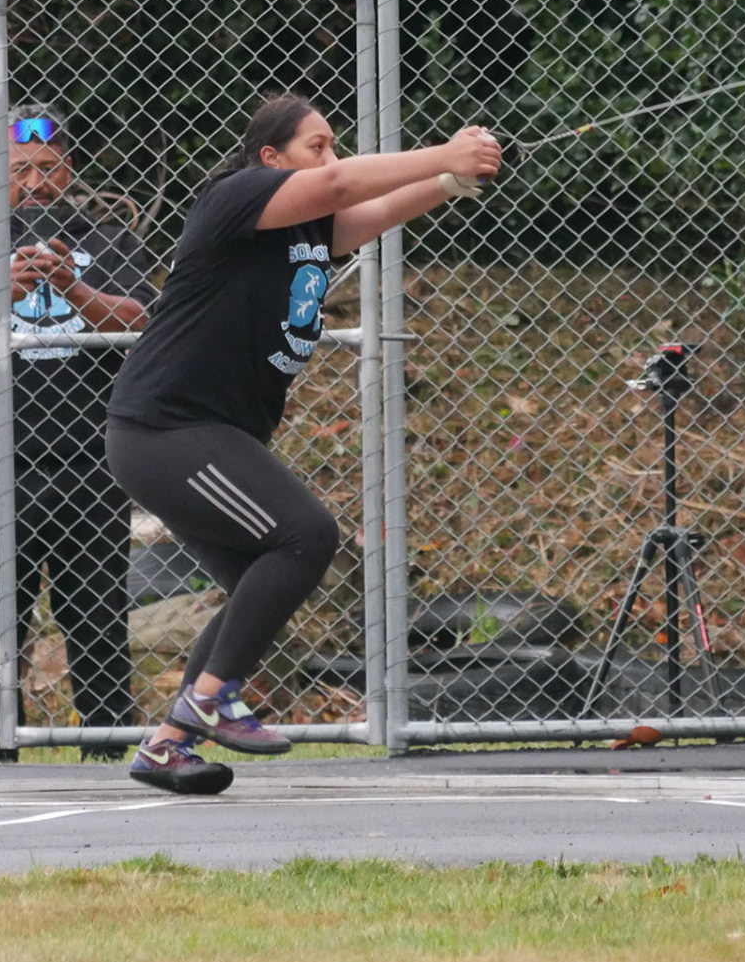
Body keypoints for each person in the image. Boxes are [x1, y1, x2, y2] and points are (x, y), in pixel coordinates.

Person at [105, 93, 501, 793]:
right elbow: (341, 185)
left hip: (204, 433)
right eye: (315, 145)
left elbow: (369, 212)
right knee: (306, 536)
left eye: (332, 144)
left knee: (255, 582)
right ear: (270, 158)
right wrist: (444, 150)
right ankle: (209, 699)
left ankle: (168, 745)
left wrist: (447, 181)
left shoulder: (303, 232)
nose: (330, 156)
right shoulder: (235, 196)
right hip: (167, 429)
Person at [0, 104, 158, 761]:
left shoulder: (108, 242)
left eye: (49, 168)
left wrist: (74, 288)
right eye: (20, 169)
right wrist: (6, 289)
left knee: (99, 615)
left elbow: (141, 321)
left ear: (69, 170)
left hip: (92, 460)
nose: (35, 183)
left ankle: (107, 748)